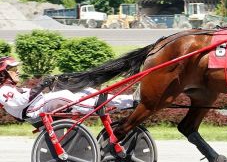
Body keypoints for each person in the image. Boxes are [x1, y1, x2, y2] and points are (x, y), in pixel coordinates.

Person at [0, 56, 135, 121]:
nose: (17, 71)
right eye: (12, 69)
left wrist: (49, 84)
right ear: (3, 73)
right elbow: (21, 102)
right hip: (33, 111)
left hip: (41, 103)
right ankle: (95, 106)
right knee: (64, 94)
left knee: (86, 91)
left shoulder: (12, 88)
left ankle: (130, 101)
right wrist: (42, 84)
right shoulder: (3, 91)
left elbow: (30, 96)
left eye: (16, 68)